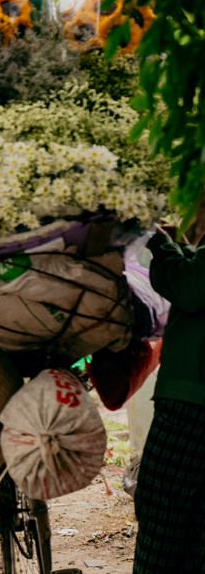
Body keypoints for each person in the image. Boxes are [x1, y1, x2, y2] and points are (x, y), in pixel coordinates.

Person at [132, 222, 205, 572]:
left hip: (192, 398)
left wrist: (161, 246)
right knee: (196, 521)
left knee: (162, 506)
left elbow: (190, 286)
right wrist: (183, 246)